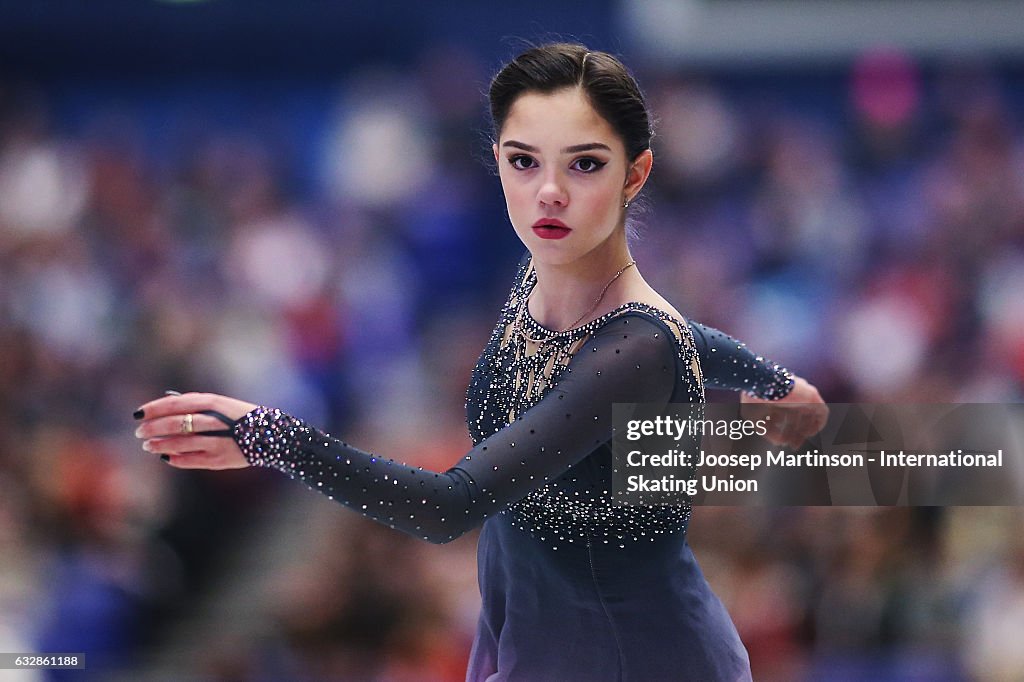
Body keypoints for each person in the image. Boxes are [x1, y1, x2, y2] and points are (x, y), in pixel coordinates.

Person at [134, 43, 826, 681]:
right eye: (525, 161)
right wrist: (777, 382)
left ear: (634, 173)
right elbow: (687, 337)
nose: (548, 191)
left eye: (584, 163)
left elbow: (450, 506)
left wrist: (269, 436)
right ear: (498, 161)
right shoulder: (542, 284)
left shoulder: (633, 345)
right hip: (537, 644)